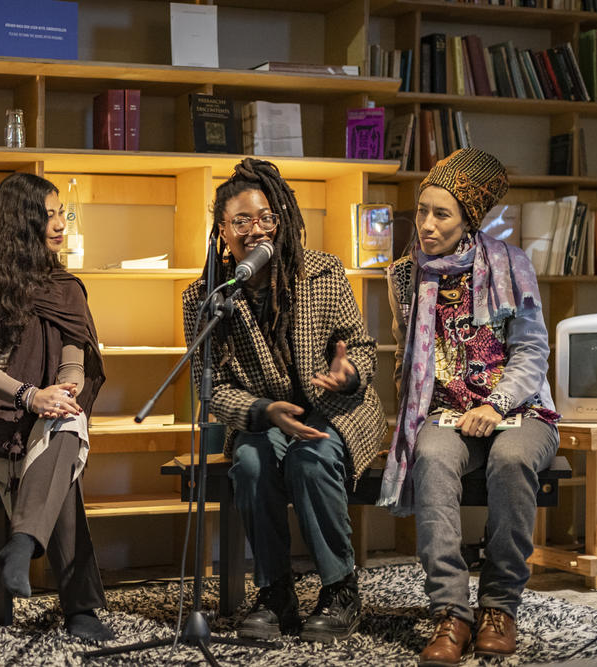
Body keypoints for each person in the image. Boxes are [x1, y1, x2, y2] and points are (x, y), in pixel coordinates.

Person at [181, 158, 387, 642]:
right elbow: (208, 388)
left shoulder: (321, 271)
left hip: (338, 408)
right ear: (222, 231)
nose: (256, 229)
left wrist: (348, 371)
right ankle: (276, 593)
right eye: (241, 221)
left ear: (283, 221)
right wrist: (262, 412)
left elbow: (360, 346)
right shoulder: (206, 297)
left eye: (266, 217)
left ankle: (340, 589)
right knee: (250, 462)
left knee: (310, 460)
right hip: (264, 416)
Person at [377, 148, 559, 665]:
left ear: (468, 220)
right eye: (423, 211)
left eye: (442, 214)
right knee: (430, 458)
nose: (428, 225)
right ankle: (450, 612)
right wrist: (409, 425)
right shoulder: (405, 275)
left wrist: (498, 405)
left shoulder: (510, 264)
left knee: (511, 459)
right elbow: (407, 358)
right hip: (448, 412)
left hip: (520, 410)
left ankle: (499, 606)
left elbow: (532, 351)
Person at [0, 172, 114, 642]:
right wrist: (30, 396)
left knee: (65, 424)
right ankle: (80, 607)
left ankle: (23, 542)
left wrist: (66, 389)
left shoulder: (63, 286)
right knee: (60, 451)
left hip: (40, 410)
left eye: (61, 214)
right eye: (48, 216)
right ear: (18, 222)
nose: (60, 225)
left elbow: (75, 356)